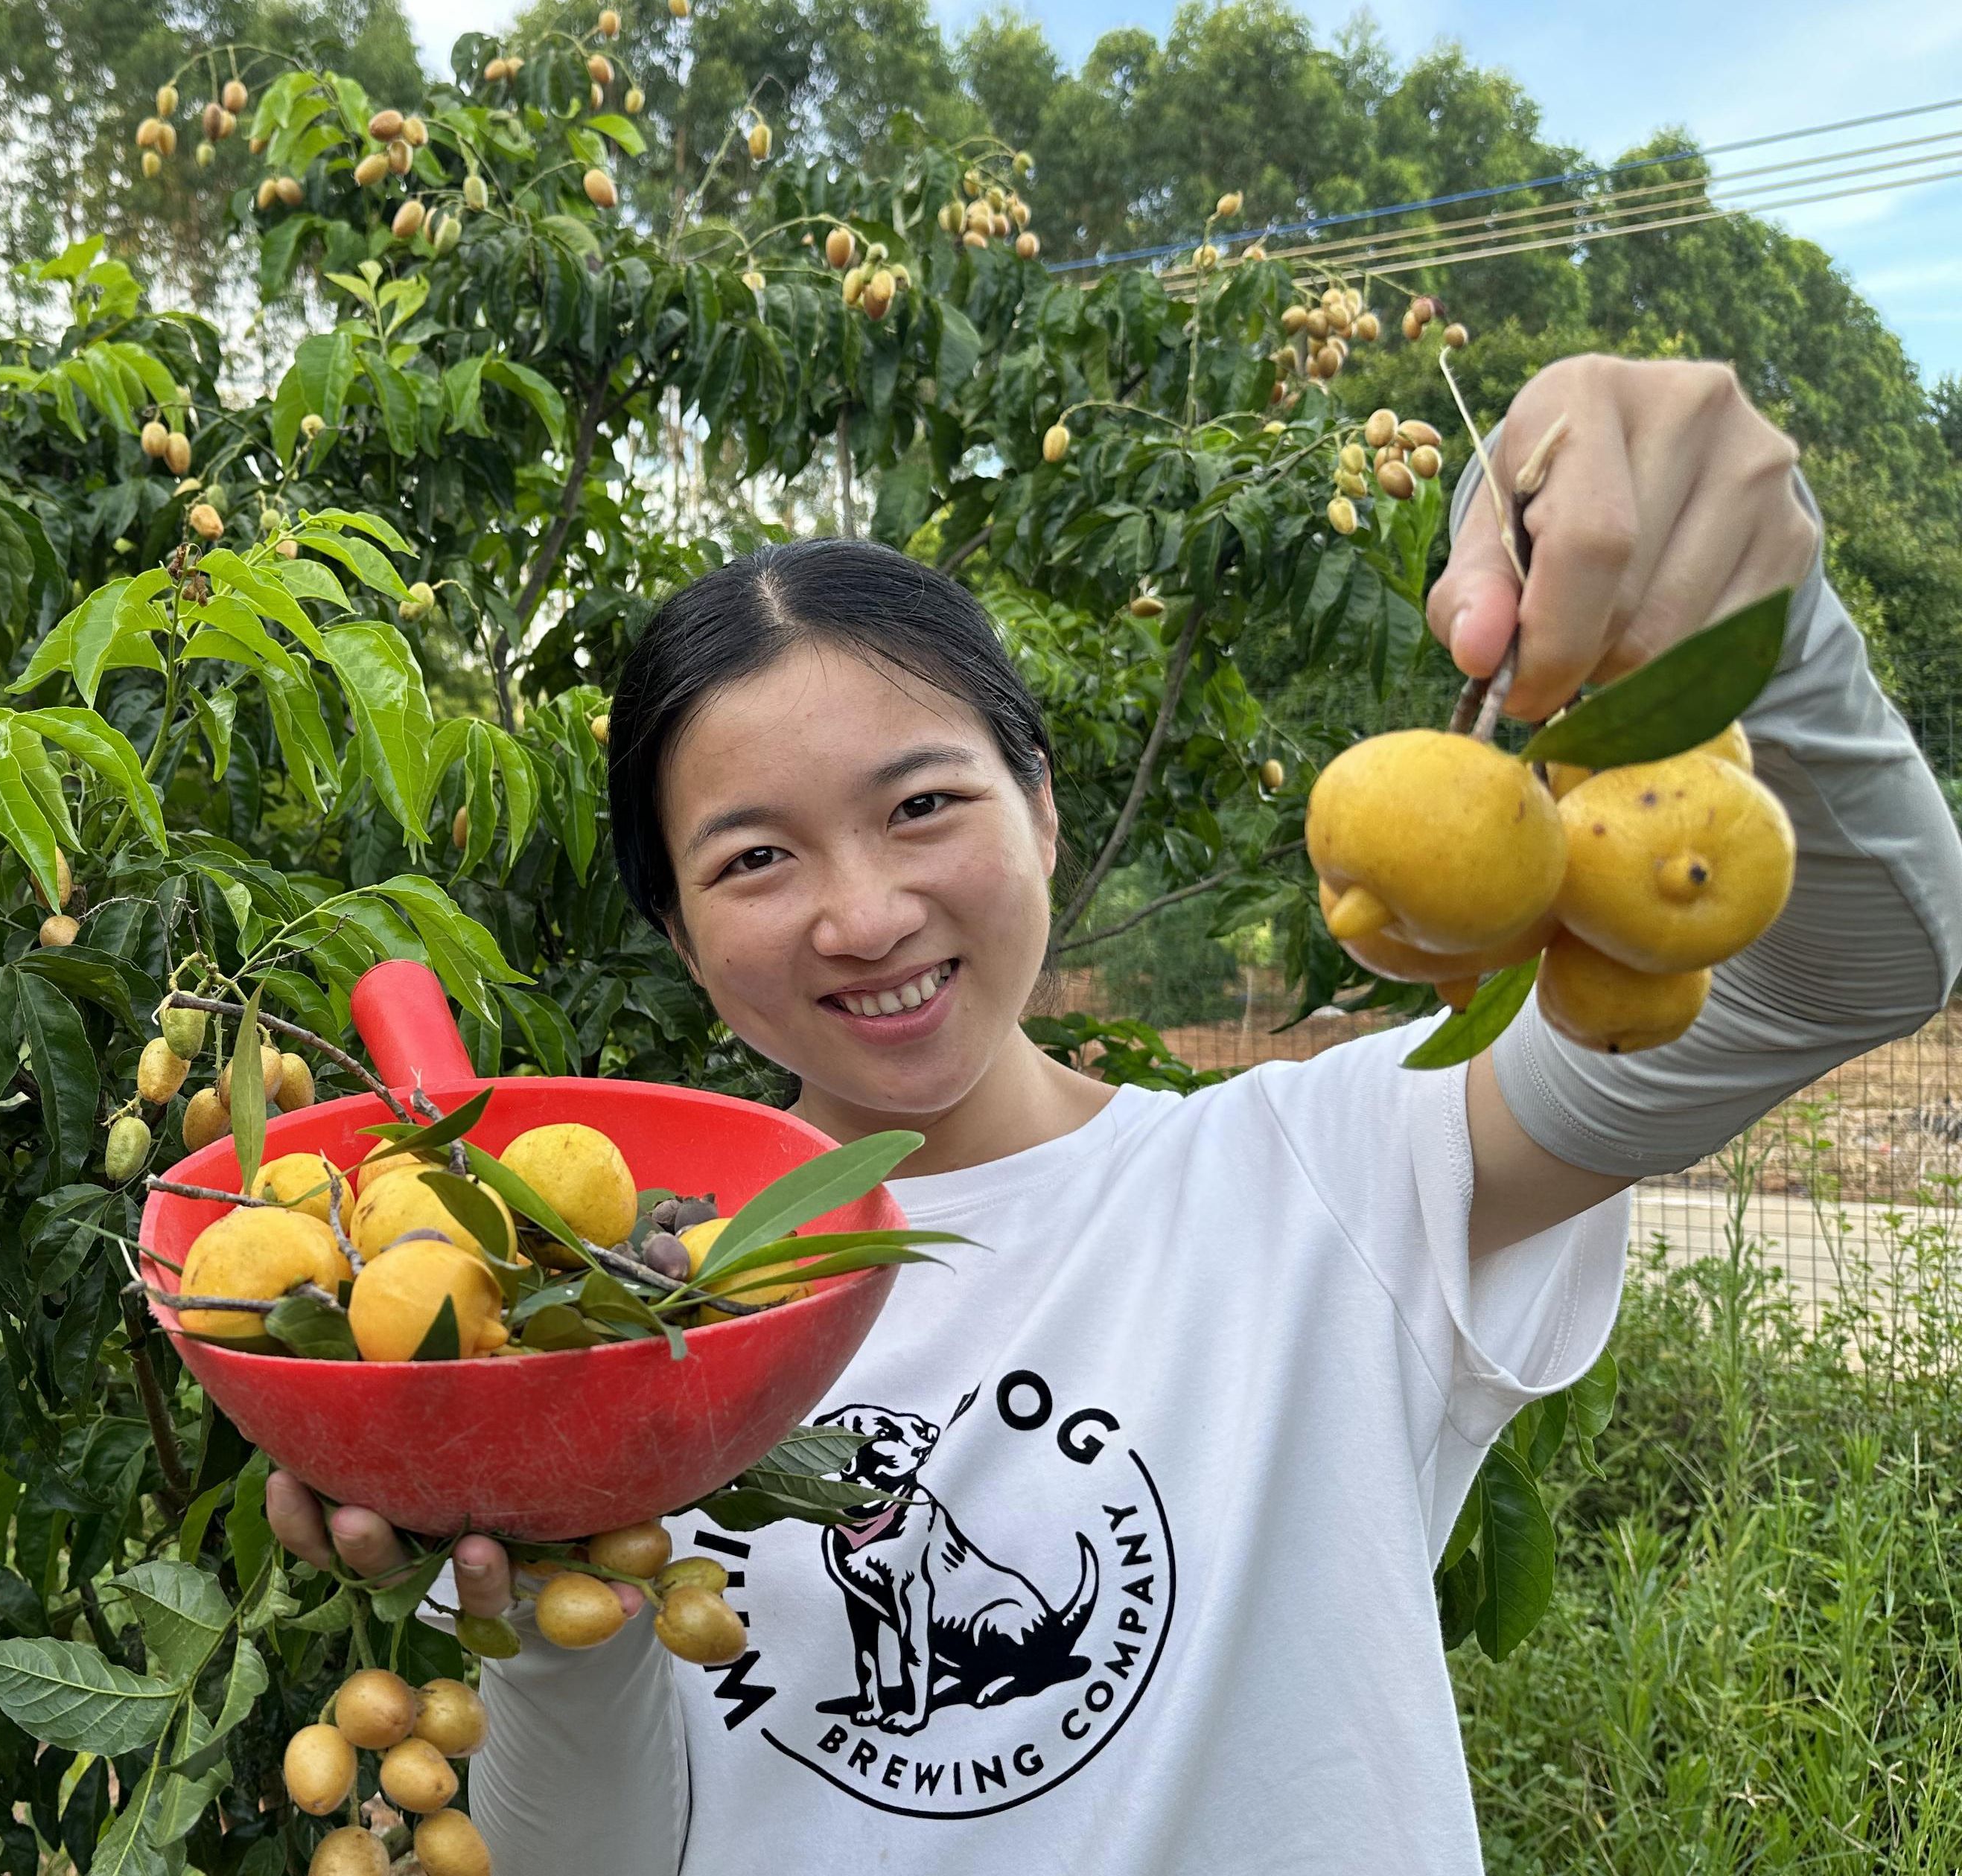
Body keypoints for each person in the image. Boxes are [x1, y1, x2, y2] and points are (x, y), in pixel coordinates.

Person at [268, 355, 1962, 1871]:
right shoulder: (609, 1314)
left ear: (1044, 810)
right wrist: (553, 1598)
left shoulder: (1323, 1178)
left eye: (922, 804)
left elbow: (1852, 970)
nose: (860, 916)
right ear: (679, 929)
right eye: (755, 859)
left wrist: (1765, 621)